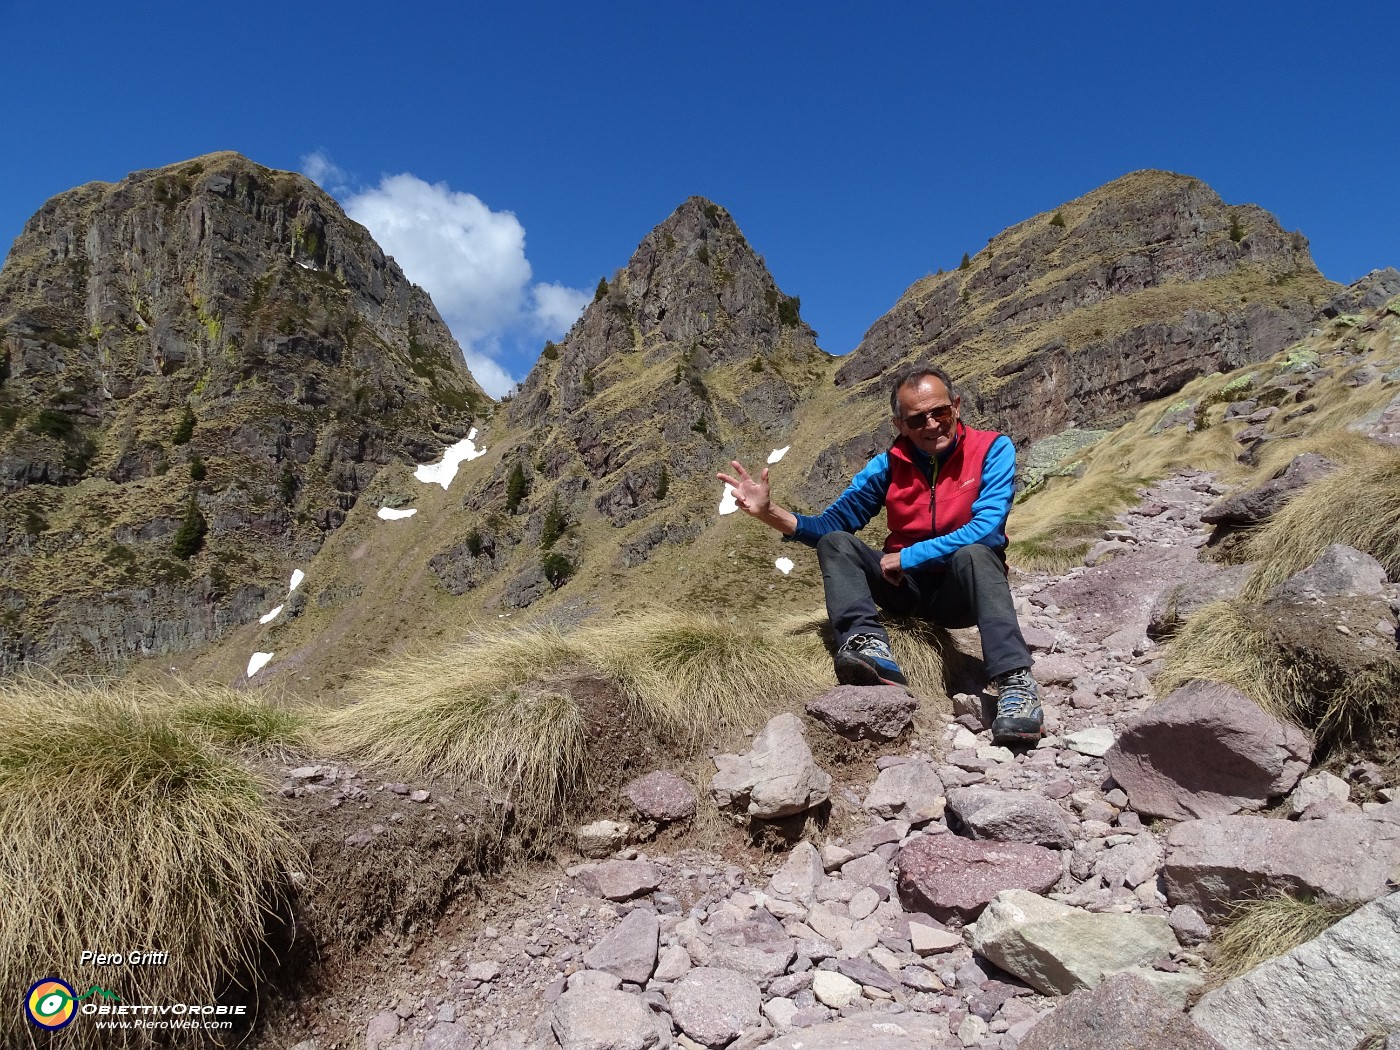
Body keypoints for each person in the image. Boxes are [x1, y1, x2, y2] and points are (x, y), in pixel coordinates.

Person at [717, 366, 1043, 745]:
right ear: (900, 424)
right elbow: (830, 526)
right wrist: (769, 513)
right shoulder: (887, 466)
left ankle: (1016, 682)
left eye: (940, 411)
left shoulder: (992, 449)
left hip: (962, 593)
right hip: (904, 590)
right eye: (917, 418)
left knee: (976, 552)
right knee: (837, 542)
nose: (932, 424)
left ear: (956, 406)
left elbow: (987, 529)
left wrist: (907, 556)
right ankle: (866, 647)